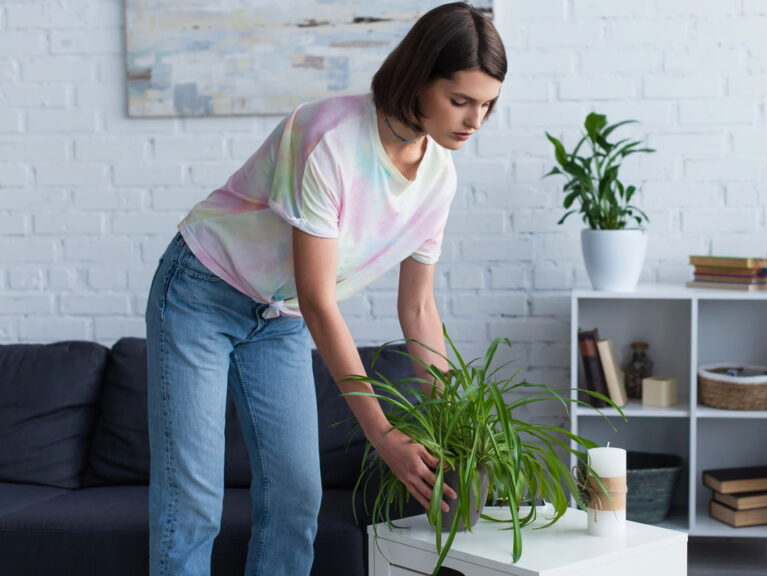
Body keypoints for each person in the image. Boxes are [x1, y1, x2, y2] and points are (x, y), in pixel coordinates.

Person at [144, 3, 506, 574]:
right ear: (417, 78)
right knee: (193, 500)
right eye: (460, 101)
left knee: (295, 499)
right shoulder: (329, 138)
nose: (474, 121)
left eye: (487, 105)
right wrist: (382, 433)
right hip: (201, 293)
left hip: (278, 316)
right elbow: (319, 298)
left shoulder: (440, 175)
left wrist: (449, 427)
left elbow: (418, 306)